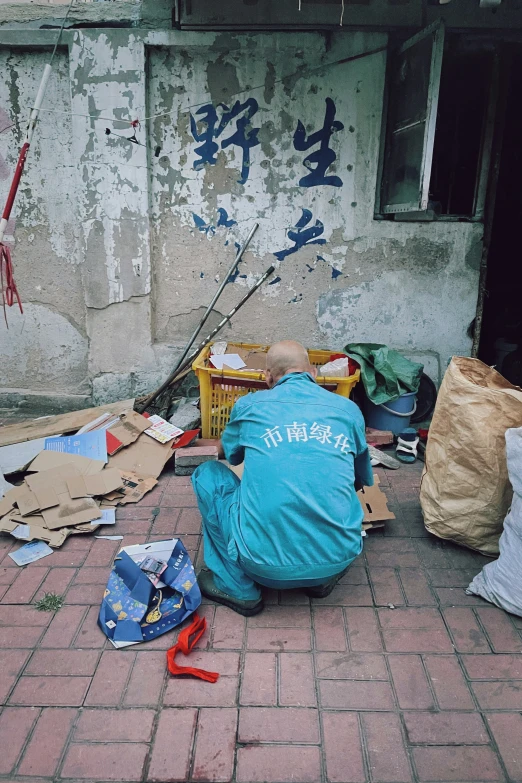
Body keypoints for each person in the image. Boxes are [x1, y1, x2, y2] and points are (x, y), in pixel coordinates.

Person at [191, 340, 373, 616]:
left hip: (261, 566)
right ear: (313, 372)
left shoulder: (250, 406)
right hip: (338, 557)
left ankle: (237, 587)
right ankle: (320, 578)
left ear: (267, 378)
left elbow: (233, 456)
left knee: (207, 475)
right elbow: (361, 479)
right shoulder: (347, 410)